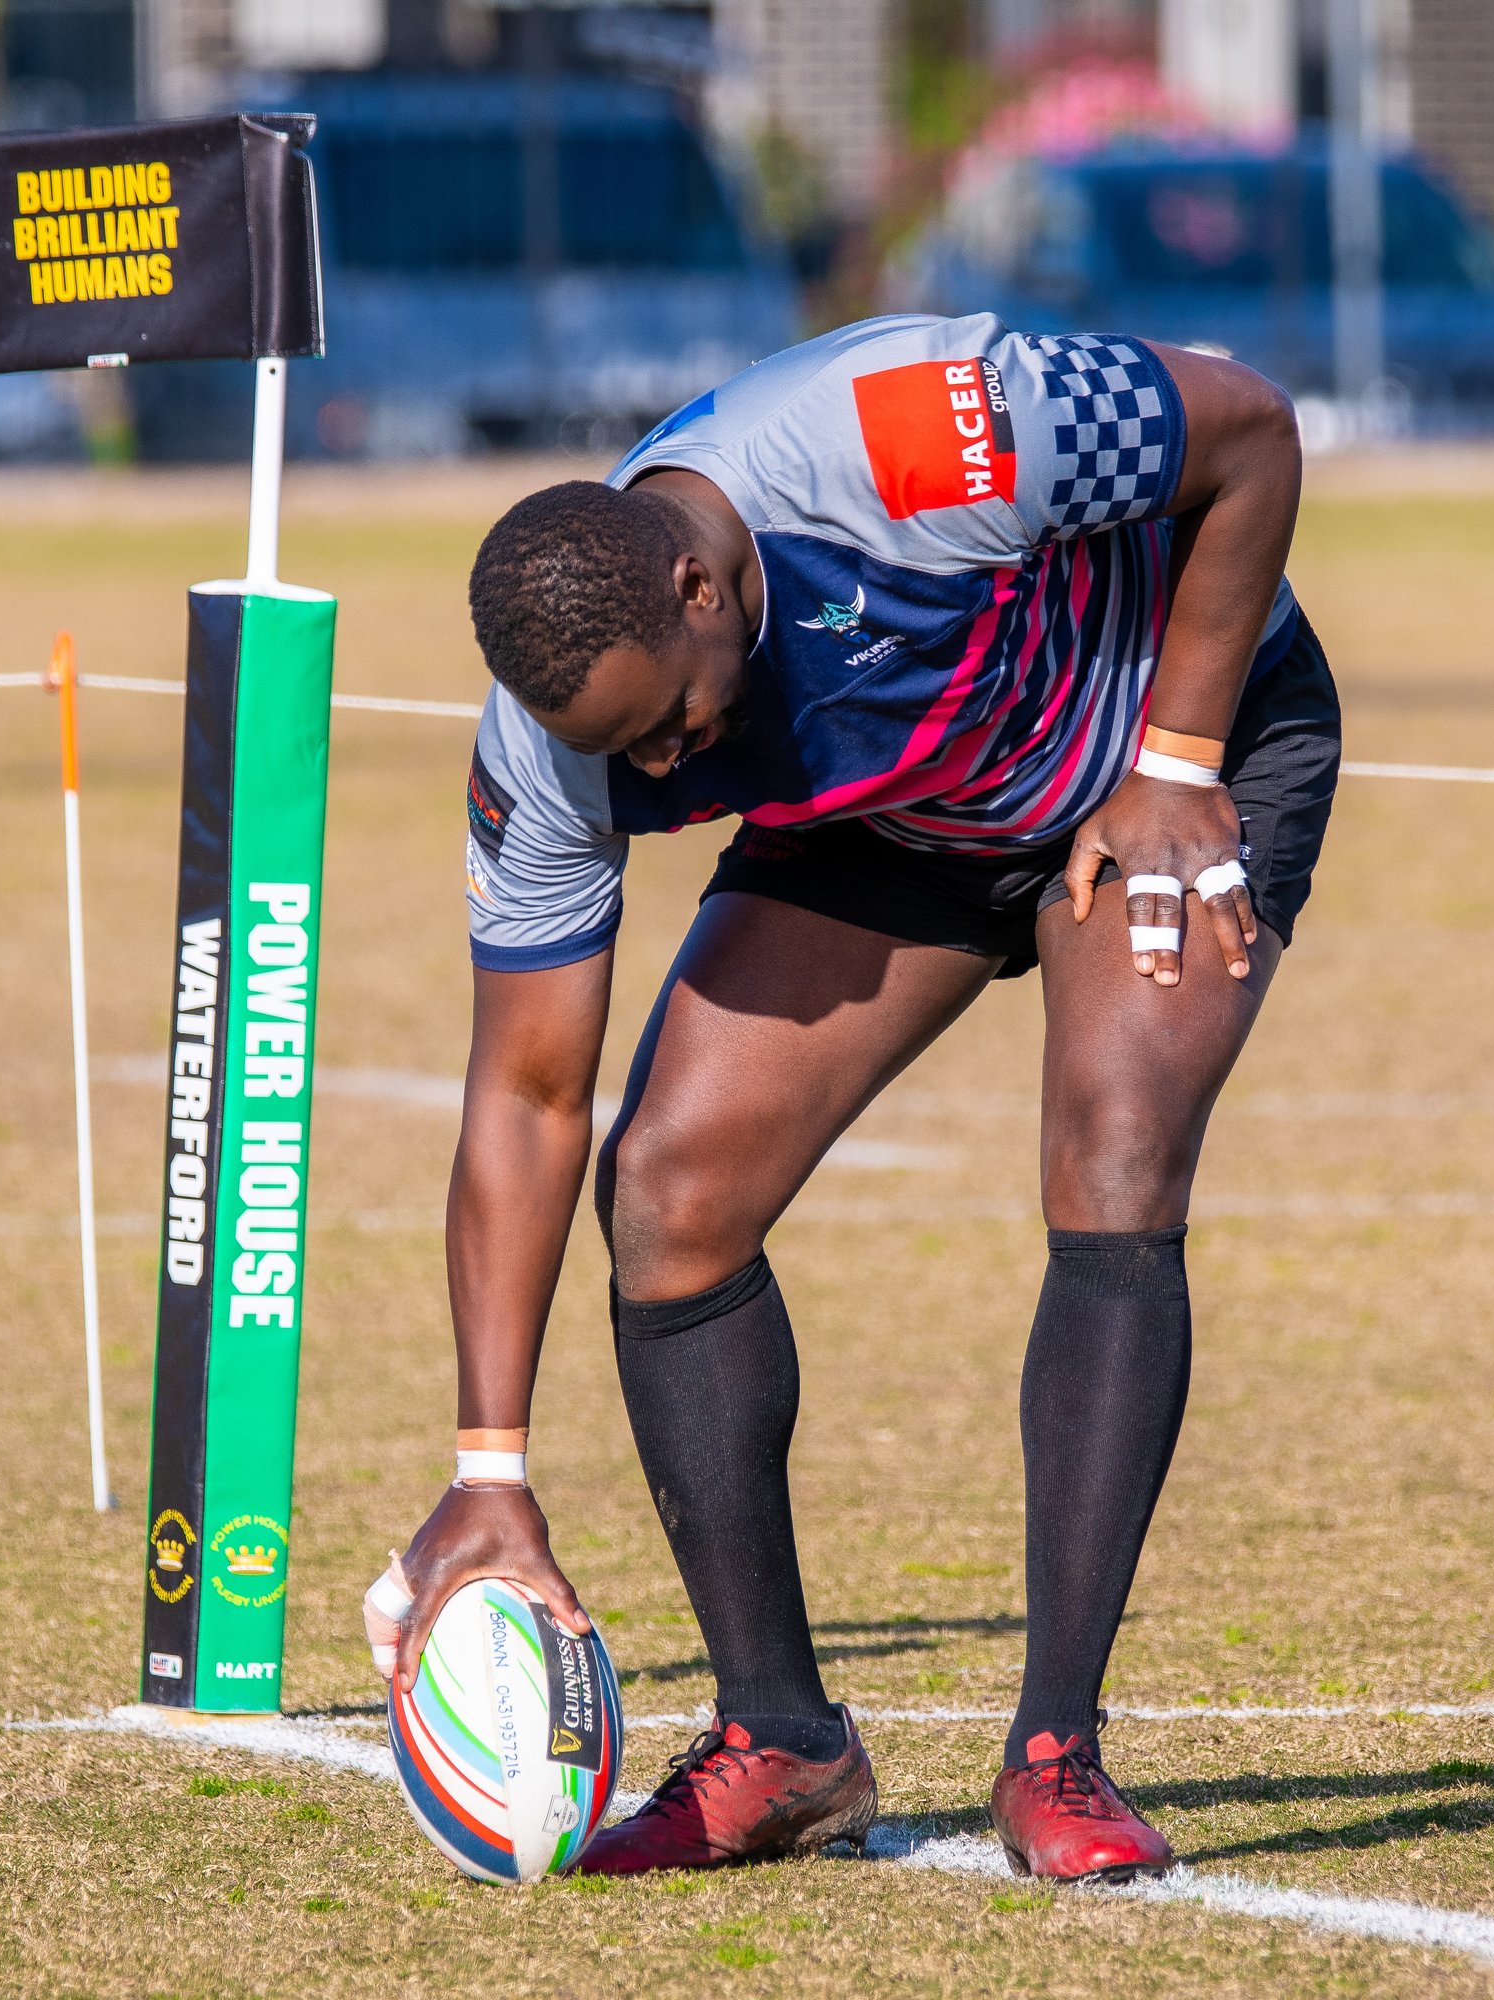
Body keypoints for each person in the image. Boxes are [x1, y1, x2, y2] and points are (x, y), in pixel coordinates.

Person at [366, 312, 1339, 1881]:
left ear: (699, 583)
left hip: (1159, 741)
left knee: (1115, 1145)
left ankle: (1055, 1757)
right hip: (910, 811)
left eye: (667, 719)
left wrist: (1174, 754)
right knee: (670, 1195)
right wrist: (491, 1469)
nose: (668, 762)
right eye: (624, 755)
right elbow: (528, 1097)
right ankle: (784, 1745)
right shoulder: (558, 751)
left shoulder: (915, 435)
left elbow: (1251, 434)